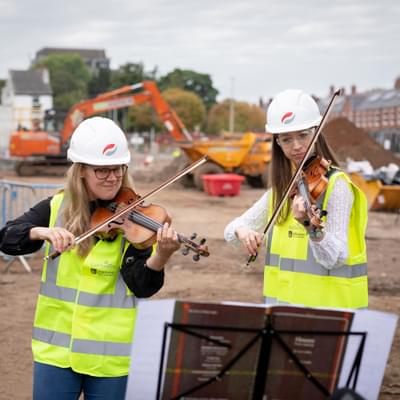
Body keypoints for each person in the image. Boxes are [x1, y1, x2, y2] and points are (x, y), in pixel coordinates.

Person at [0, 117, 181, 400]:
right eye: (102, 170)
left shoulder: (133, 218)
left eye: (118, 169)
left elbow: (141, 286)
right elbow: (7, 237)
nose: (112, 177)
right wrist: (40, 231)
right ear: (81, 170)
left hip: (110, 360)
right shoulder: (56, 207)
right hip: (57, 355)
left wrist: (162, 255)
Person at [224, 89, 368, 309]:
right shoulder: (284, 188)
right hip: (282, 309)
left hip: (328, 311)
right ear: (278, 144)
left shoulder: (336, 186)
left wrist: (310, 226)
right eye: (287, 139)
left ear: (316, 133)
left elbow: (335, 258)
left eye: (303, 135)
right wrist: (243, 232)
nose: (297, 146)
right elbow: (231, 231)